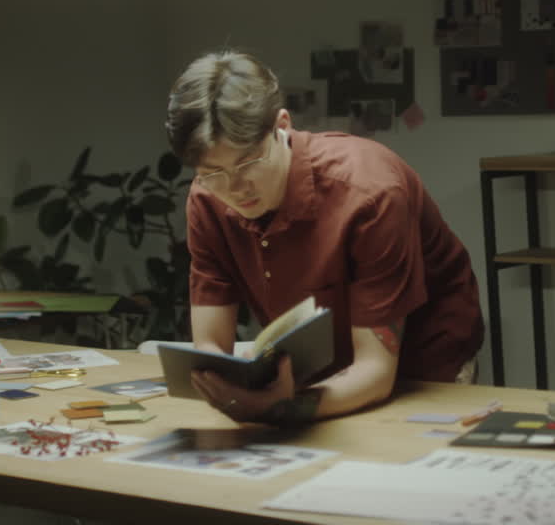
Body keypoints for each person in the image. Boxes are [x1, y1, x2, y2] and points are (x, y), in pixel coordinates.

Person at [165, 51, 484, 425]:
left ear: (281, 124)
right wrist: (229, 389)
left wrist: (281, 408)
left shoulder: (370, 192)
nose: (235, 188)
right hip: (314, 375)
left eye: (248, 162)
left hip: (422, 369)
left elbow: (376, 373)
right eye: (213, 171)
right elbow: (210, 350)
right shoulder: (207, 198)